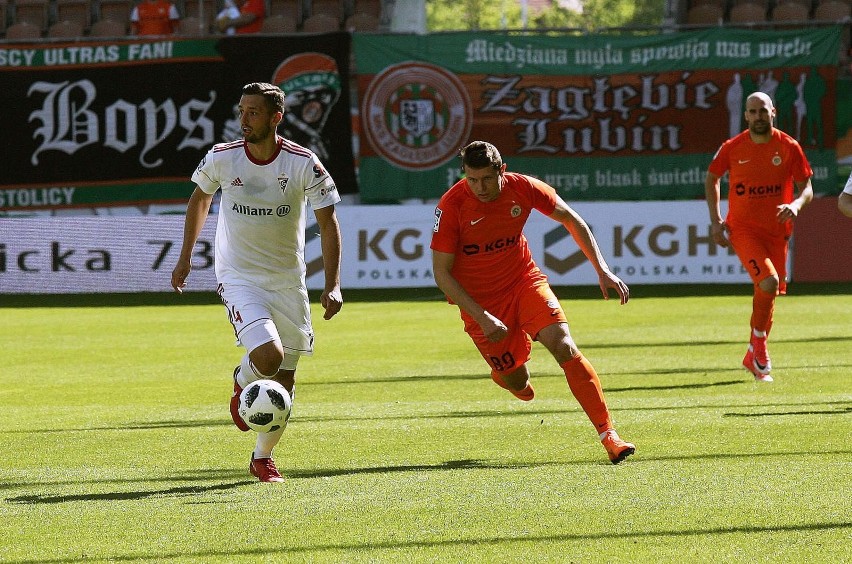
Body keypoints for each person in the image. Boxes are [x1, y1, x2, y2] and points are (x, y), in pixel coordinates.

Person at [171, 82, 343, 482]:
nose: (244, 119)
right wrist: (185, 257)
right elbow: (200, 199)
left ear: (275, 117)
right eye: (242, 111)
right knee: (268, 358)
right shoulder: (222, 158)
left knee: (285, 379)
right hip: (239, 277)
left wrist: (332, 283)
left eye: (253, 112)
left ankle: (262, 458)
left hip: (287, 281)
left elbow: (328, 223)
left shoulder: (304, 164)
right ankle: (241, 380)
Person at [430, 140, 635, 465]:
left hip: (524, 283)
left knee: (564, 345)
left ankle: (609, 435)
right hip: (481, 304)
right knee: (518, 381)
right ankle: (504, 374)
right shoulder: (452, 205)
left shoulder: (523, 188)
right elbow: (441, 274)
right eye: (472, 179)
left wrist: (602, 269)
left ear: (502, 170)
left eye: (486, 178)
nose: (479, 187)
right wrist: (483, 317)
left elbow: (571, 219)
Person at [705, 91, 813, 383]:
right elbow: (712, 177)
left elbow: (807, 187)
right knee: (769, 281)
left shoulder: (789, 146)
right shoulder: (733, 147)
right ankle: (760, 344)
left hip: (777, 232)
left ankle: (753, 353)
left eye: (762, 111)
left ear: (773, 112)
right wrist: (716, 221)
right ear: (746, 116)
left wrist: (795, 205)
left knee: (768, 291)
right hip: (742, 229)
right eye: (752, 111)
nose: (758, 116)